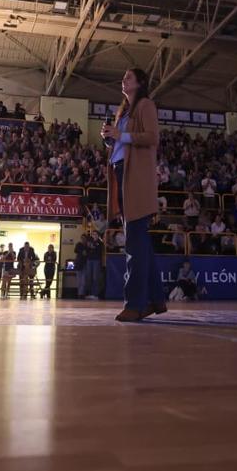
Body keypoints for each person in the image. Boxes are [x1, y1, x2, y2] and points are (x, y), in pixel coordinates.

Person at [101, 67, 165, 322]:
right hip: (121, 172)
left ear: (140, 83)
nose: (123, 79)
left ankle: (135, 304)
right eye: (123, 75)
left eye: (128, 76)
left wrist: (121, 134)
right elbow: (120, 143)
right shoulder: (123, 110)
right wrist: (110, 139)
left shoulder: (146, 105)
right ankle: (155, 300)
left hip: (136, 177)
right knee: (141, 245)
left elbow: (152, 137)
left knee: (134, 244)